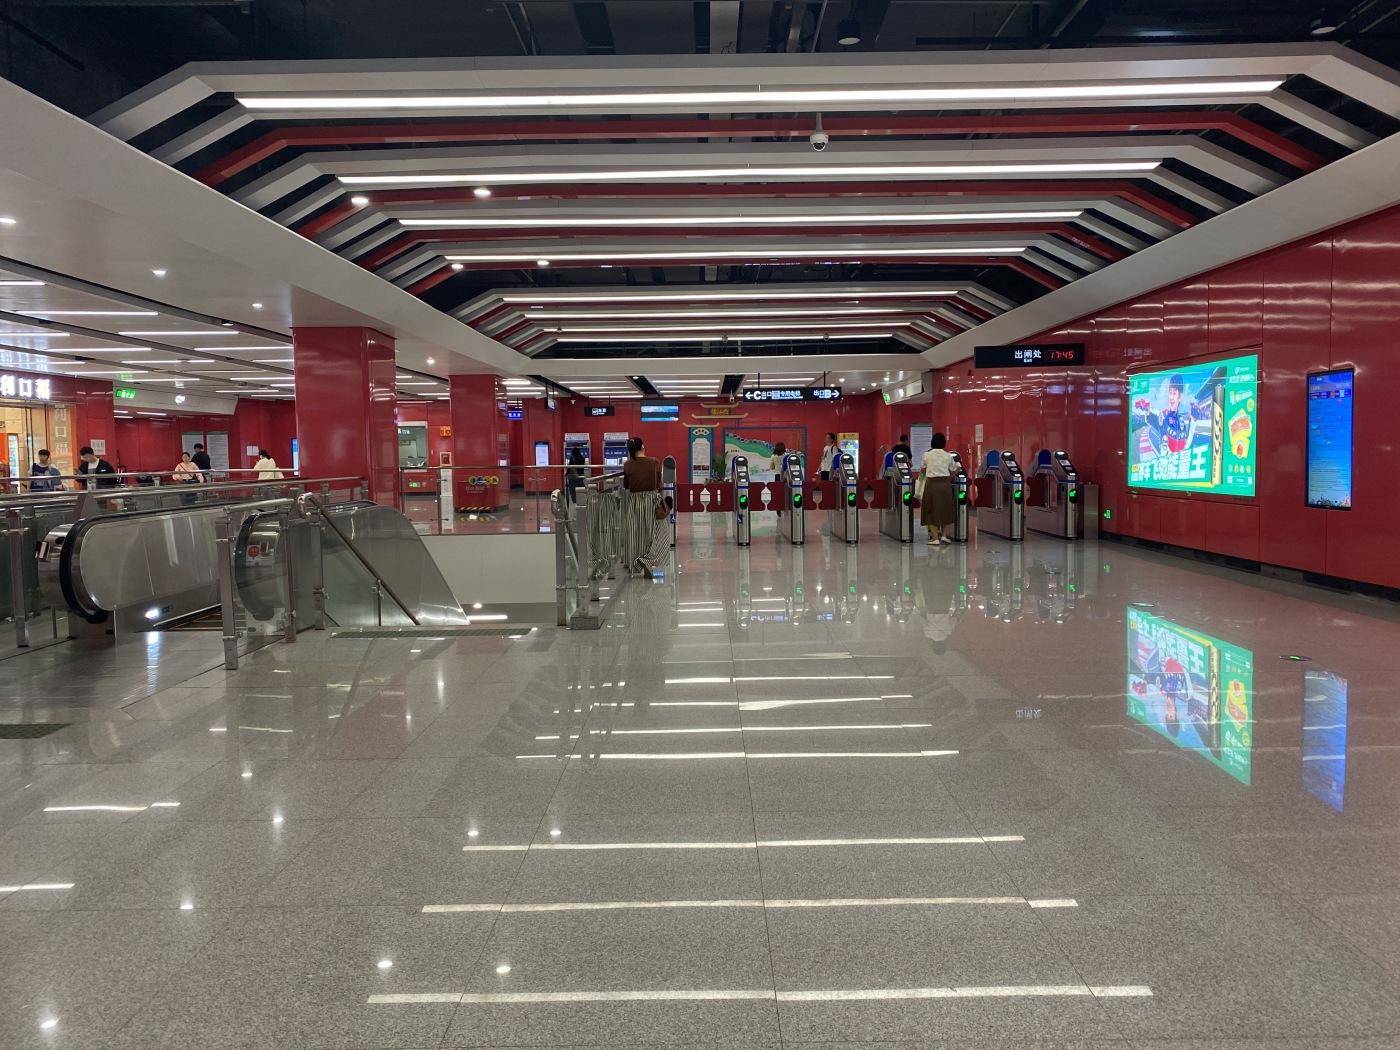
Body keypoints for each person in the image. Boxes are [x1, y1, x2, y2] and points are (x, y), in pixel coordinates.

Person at [621, 436, 669, 579]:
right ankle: (649, 562)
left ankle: (637, 562)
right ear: (642, 447)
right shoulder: (654, 462)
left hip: (635, 503)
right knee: (654, 533)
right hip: (651, 501)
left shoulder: (627, 465)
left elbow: (626, 485)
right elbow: (659, 483)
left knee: (637, 534)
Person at [917, 432, 958, 546]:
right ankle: (944, 536)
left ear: (932, 442)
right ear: (944, 443)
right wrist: (959, 467)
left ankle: (935, 538)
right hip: (945, 485)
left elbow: (923, 470)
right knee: (945, 509)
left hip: (931, 485)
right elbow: (955, 470)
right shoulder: (948, 456)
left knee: (930, 510)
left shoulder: (926, 455)